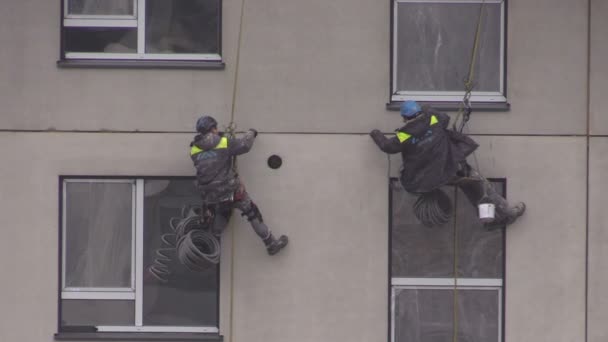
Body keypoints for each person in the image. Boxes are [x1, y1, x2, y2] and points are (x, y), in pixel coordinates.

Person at [370, 100, 525, 227]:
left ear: (405, 118)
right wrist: (427, 108)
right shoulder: (433, 120)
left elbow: (388, 147)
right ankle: (504, 214)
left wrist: (376, 134)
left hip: (423, 179)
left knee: (471, 183)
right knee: (478, 184)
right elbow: (445, 118)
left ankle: (495, 219)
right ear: (420, 112)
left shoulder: (405, 134)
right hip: (448, 169)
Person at [190, 115, 288, 255]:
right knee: (252, 212)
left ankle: (211, 245)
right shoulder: (223, 142)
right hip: (230, 190)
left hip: (210, 195)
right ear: (212, 129)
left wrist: (221, 139)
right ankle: (271, 243)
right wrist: (251, 133)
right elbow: (245, 146)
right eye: (215, 128)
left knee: (223, 211)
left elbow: (211, 155)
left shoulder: (193, 149)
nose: (217, 130)